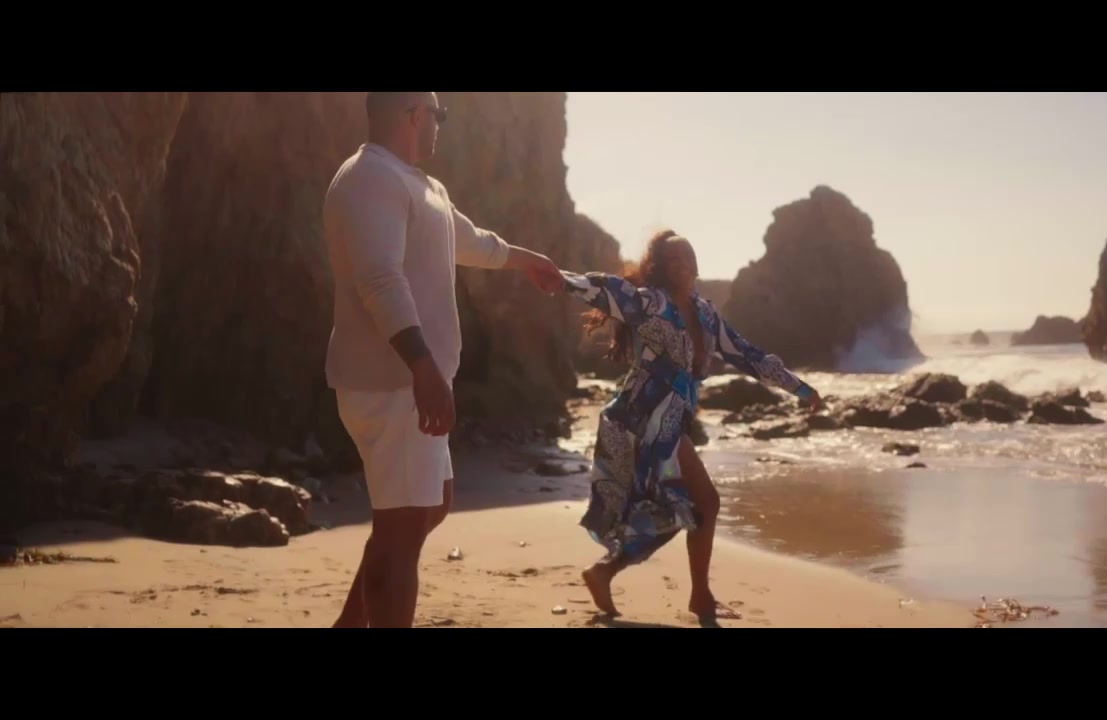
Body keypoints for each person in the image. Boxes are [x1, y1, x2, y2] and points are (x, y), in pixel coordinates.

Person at [323, 92, 563, 628]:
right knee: (402, 532)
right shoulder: (369, 178)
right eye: (440, 114)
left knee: (430, 506)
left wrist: (527, 261)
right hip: (393, 382)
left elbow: (467, 239)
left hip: (410, 381)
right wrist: (423, 367)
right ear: (414, 114)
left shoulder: (420, 185)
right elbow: (380, 281)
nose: (440, 125)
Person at [562, 230, 824, 623]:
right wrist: (556, 277)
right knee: (703, 503)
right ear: (661, 268)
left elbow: (747, 354)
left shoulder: (705, 314)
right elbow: (607, 290)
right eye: (673, 259)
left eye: (687, 256)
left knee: (680, 509)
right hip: (640, 416)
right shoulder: (651, 303)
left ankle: (606, 573)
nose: (682, 264)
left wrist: (799, 388)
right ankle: (698, 596)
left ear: (697, 262)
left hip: (670, 422)